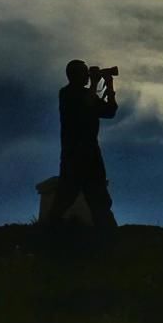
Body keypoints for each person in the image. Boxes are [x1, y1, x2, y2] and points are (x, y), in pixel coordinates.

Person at [43, 59, 119, 230]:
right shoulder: (67, 93)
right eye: (85, 72)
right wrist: (94, 84)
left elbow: (110, 111)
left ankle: (107, 237)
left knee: (100, 198)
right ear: (74, 75)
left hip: (92, 153)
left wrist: (110, 87)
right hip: (74, 153)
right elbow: (86, 105)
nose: (88, 75)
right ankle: (49, 232)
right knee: (66, 195)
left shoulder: (88, 93)